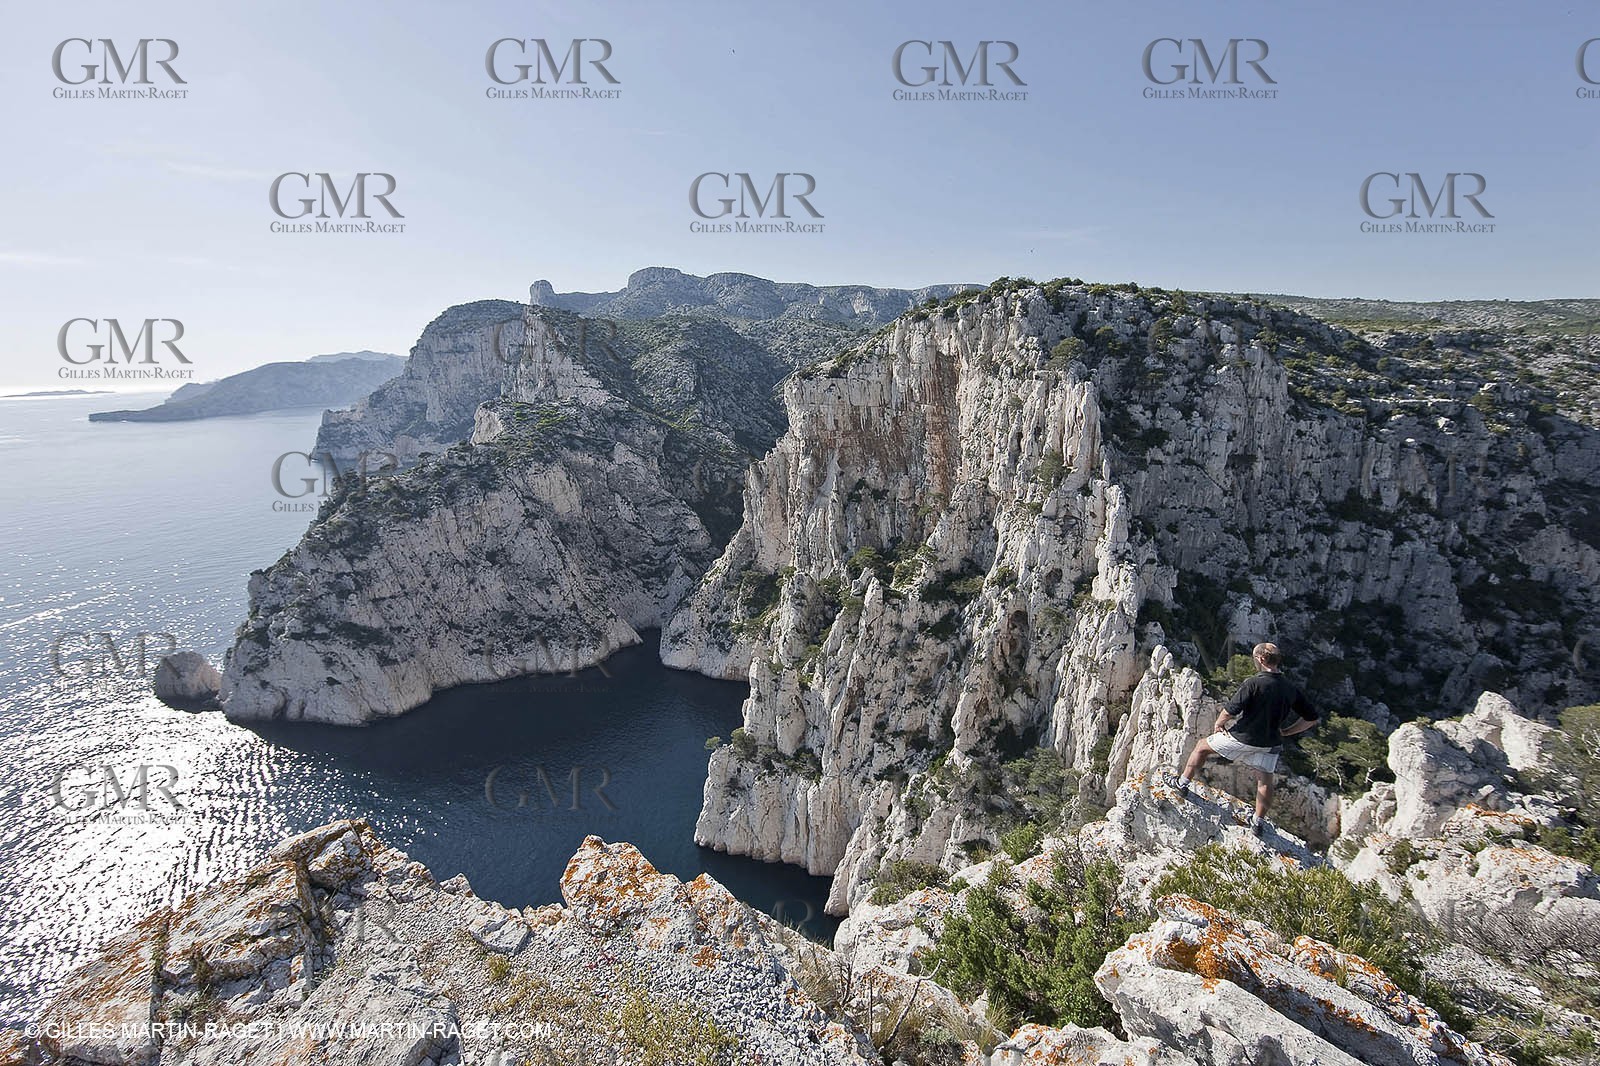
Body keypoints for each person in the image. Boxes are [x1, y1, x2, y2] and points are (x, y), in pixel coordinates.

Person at [1173, 642, 1318, 834]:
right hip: (1271, 743)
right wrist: (1287, 731)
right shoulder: (1290, 688)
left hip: (1244, 737)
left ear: (1260, 659)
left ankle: (1181, 784)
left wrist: (1218, 724)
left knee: (1201, 747)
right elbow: (1312, 718)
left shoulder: (1254, 683)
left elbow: (1230, 710)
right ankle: (1257, 823)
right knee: (1265, 780)